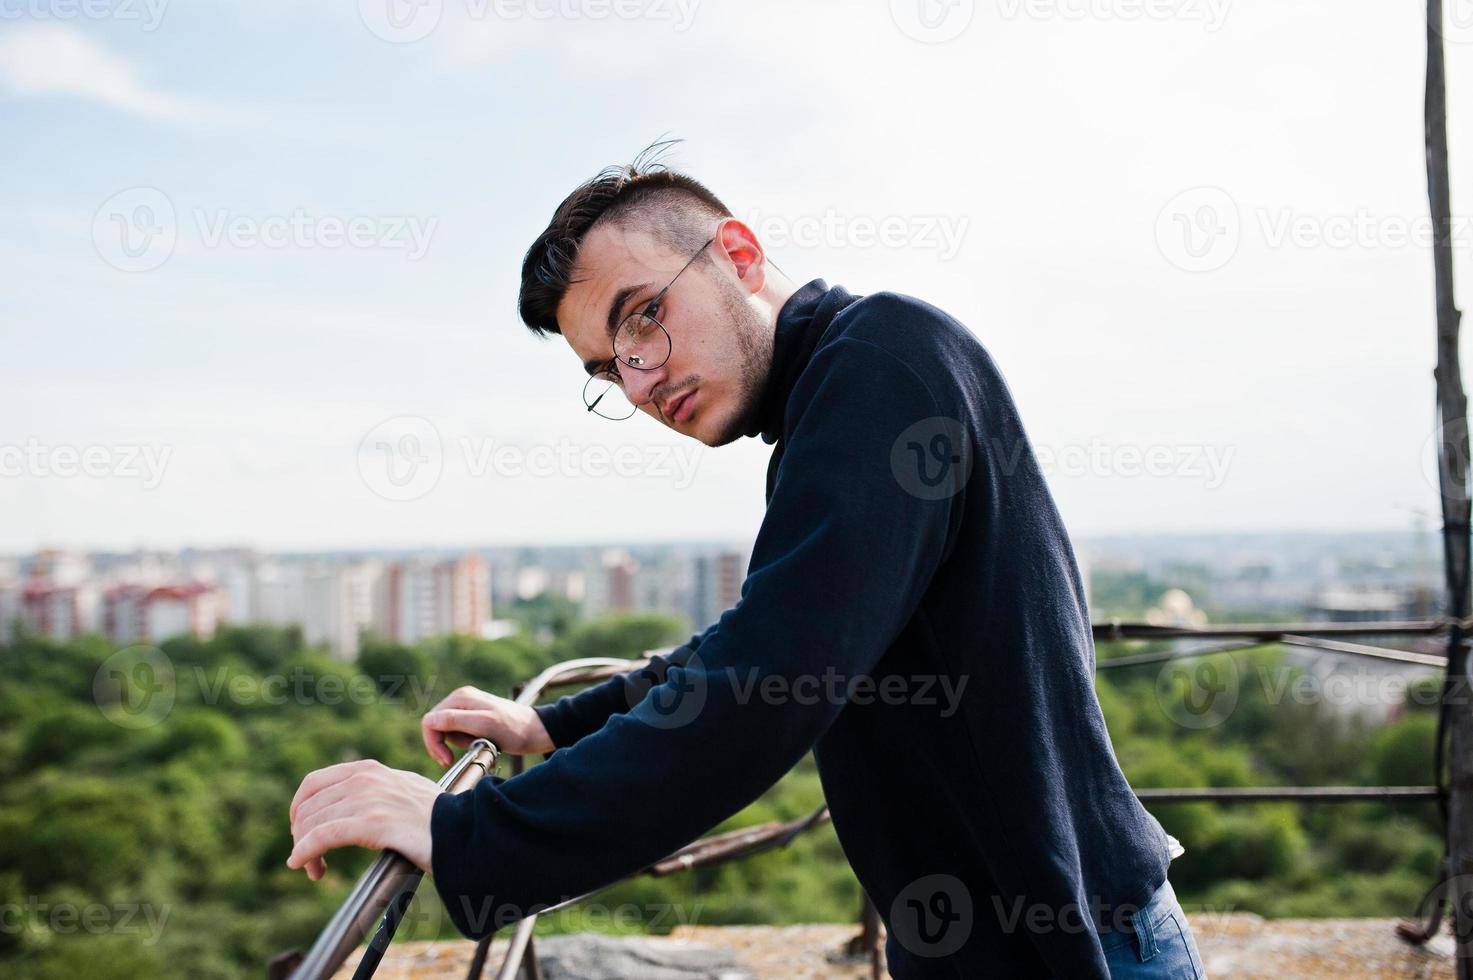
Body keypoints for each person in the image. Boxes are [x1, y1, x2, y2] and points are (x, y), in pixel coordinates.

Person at [287, 143, 1206, 978]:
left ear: (737, 254)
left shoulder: (883, 361)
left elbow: (770, 681)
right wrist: (560, 726)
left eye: (643, 317)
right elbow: (763, 637)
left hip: (1072, 938)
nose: (641, 379)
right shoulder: (832, 397)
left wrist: (470, 831)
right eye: (609, 367)